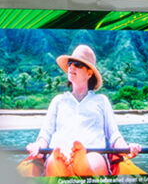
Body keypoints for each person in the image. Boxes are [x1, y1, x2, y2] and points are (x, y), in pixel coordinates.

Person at [25, 44, 139, 175]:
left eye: (78, 64)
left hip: (94, 153)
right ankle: (67, 165)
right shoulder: (58, 101)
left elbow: (114, 136)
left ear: (89, 73)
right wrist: (37, 146)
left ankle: (80, 164)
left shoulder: (101, 101)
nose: (72, 67)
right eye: (70, 63)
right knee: (53, 160)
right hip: (60, 152)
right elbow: (45, 135)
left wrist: (127, 148)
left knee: (93, 158)